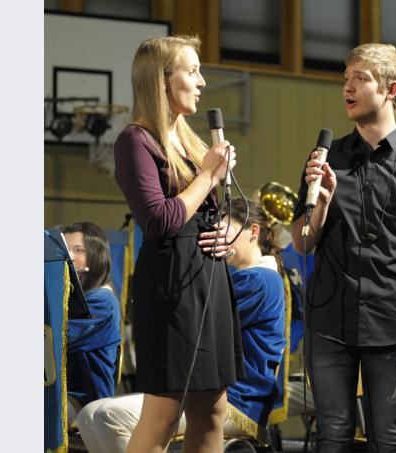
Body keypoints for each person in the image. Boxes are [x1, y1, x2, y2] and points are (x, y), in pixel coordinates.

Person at [290, 43, 396, 453]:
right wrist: (322, 202)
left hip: (392, 322)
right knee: (333, 435)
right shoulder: (325, 159)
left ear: (391, 89)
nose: (348, 87)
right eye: (346, 79)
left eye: (360, 79)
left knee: (388, 438)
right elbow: (303, 243)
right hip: (329, 320)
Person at [113, 35, 243, 453]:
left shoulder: (189, 142)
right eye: (193, 71)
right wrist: (208, 175)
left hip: (208, 278)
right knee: (164, 415)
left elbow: (200, 213)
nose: (202, 82)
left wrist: (223, 236)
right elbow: (159, 221)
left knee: (212, 410)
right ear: (162, 80)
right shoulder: (135, 141)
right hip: (172, 286)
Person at [75, 199, 287, 453]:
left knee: (105, 416)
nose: (215, 237)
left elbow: (201, 325)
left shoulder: (260, 279)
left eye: (223, 228)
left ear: (253, 231)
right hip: (214, 389)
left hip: (236, 398)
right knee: (90, 414)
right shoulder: (250, 277)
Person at [61, 222, 122, 425]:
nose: (70, 257)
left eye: (78, 250)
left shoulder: (101, 301)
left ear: (96, 256)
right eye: (66, 250)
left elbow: (57, 337)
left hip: (82, 399)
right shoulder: (76, 296)